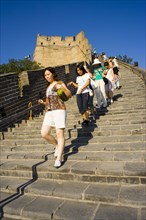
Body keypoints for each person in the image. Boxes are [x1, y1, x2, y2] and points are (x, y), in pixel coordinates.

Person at [38, 67, 72, 168]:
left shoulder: (59, 83)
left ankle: (59, 158)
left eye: (48, 74)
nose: (47, 76)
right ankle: (57, 145)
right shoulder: (48, 87)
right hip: (49, 112)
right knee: (44, 133)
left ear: (53, 74)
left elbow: (69, 95)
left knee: (59, 133)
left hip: (60, 110)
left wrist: (62, 88)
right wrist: (43, 103)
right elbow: (48, 102)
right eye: (45, 75)